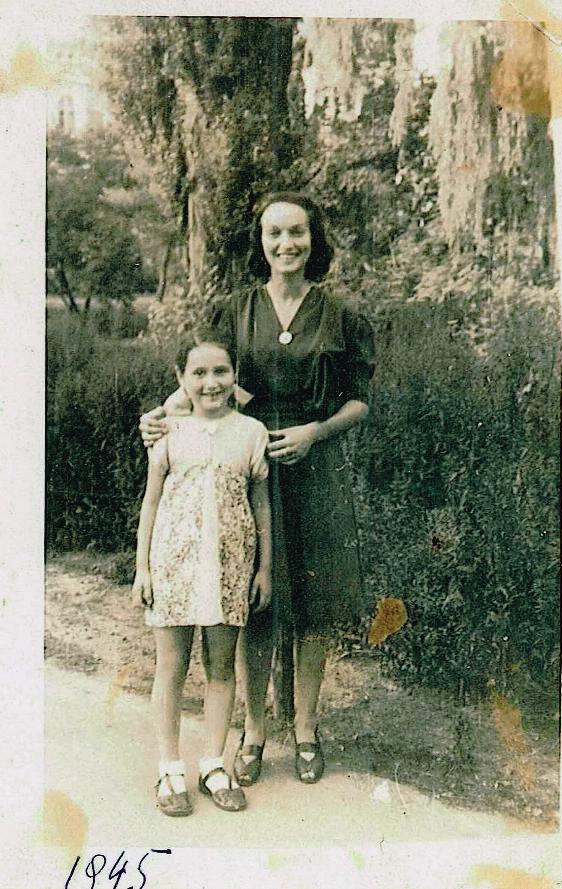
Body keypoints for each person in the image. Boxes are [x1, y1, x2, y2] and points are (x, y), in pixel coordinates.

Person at [140, 191, 375, 786]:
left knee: (315, 606)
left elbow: (360, 403)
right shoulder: (236, 311)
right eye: (274, 234)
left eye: (297, 233)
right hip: (243, 468)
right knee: (252, 600)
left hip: (316, 470)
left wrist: (315, 432)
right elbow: (205, 381)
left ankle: (306, 731)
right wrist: (161, 415)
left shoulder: (341, 315)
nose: (286, 244)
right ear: (261, 242)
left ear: (313, 240)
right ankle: (253, 731)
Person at [132, 330, 272, 816]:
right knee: (171, 667)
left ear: (235, 377)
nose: (210, 383)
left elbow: (261, 505)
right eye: (198, 373)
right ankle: (169, 768)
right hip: (174, 565)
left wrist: (265, 570)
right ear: (180, 379)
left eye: (221, 372)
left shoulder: (250, 432)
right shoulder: (168, 431)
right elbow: (151, 501)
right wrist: (142, 568)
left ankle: (214, 763)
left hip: (232, 567)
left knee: (220, 666)